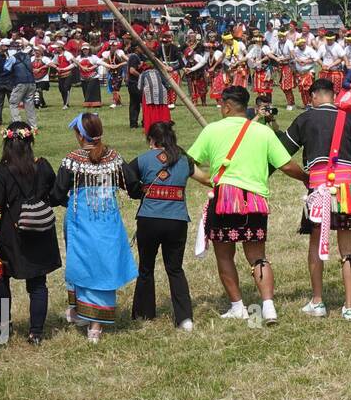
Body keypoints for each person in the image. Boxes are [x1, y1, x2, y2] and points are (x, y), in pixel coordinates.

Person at [187, 86, 306, 324]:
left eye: (221, 105)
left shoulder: (212, 130)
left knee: (224, 255)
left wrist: (209, 180)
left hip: (224, 200)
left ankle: (238, 307)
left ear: (228, 106)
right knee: (257, 256)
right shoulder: (262, 132)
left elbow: (189, 164)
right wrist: (306, 179)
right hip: (254, 201)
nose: (220, 109)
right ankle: (268, 307)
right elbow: (286, 165)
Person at [278, 78, 351, 320]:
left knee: (316, 244)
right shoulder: (350, 120)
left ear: (315, 95)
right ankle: (349, 306)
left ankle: (318, 301)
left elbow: (283, 152)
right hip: (346, 189)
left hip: (317, 188)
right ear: (332, 95)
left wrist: (305, 176)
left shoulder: (305, 119)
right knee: (347, 248)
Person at [50, 113, 138, 343]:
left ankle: (92, 322)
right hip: (107, 220)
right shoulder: (114, 158)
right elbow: (133, 185)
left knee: (82, 264)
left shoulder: (72, 160)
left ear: (80, 135)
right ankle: (84, 316)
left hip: (81, 219)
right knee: (104, 266)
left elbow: (57, 193)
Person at [126, 121, 207, 329]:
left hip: (149, 221)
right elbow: (205, 179)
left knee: (146, 268)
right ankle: (185, 318)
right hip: (177, 221)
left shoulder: (143, 159)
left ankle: (143, 315)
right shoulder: (183, 160)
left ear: (151, 140)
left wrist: (137, 191)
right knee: (175, 269)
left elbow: (126, 177)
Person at [0, 122, 60, 345]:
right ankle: (36, 333)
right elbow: (55, 196)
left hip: (11, 232)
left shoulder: (1, 170)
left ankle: (3, 327)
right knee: (38, 284)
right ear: (31, 141)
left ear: (7, 142)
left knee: (0, 279)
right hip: (41, 230)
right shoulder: (43, 166)